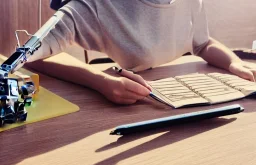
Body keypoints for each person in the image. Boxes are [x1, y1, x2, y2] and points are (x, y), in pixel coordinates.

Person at [27, 0, 256, 104]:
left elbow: (202, 44)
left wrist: (233, 63)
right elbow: (30, 56)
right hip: (130, 110)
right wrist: (101, 81)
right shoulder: (96, 5)